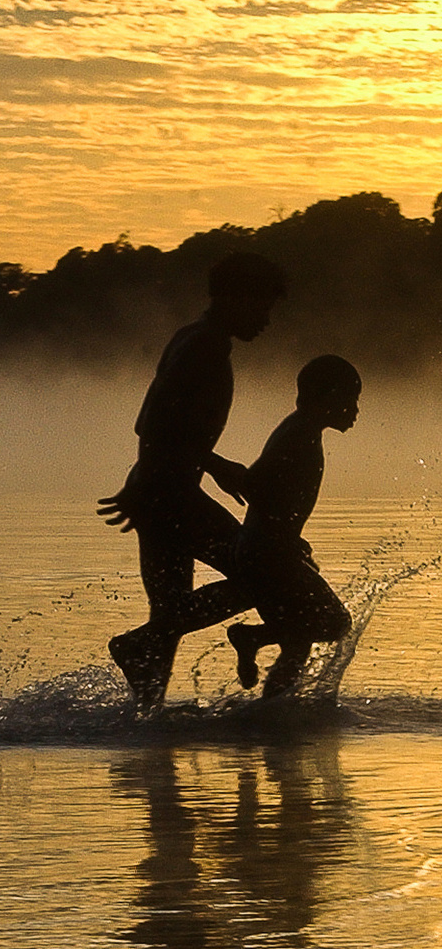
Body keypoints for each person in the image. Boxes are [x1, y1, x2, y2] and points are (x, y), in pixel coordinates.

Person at [98, 252, 287, 713]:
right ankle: (139, 645)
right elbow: (155, 422)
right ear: (234, 298)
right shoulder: (202, 345)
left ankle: (148, 731)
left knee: (170, 607)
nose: (266, 319)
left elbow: (155, 423)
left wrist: (149, 477)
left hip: (160, 489)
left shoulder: (196, 339)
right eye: (261, 307)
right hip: (171, 497)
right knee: (261, 575)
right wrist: (213, 465)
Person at [226, 355, 359, 698]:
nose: (356, 410)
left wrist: (291, 538)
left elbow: (277, 494)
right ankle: (252, 637)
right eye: (350, 400)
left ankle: (272, 720)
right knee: (335, 623)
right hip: (267, 552)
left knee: (297, 641)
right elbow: (256, 483)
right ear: (326, 398)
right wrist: (280, 538)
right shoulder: (299, 434)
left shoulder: (302, 430)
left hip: (270, 548)